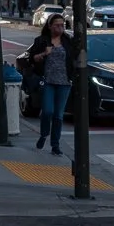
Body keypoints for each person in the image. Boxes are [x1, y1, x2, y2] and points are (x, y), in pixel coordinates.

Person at [25, 12, 72, 153]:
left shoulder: (68, 41)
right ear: (50, 26)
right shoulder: (41, 41)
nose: (60, 28)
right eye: (57, 25)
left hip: (64, 82)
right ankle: (44, 134)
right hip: (48, 81)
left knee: (58, 115)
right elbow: (32, 58)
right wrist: (44, 54)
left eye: (62, 25)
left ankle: (55, 145)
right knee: (47, 111)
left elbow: (74, 59)